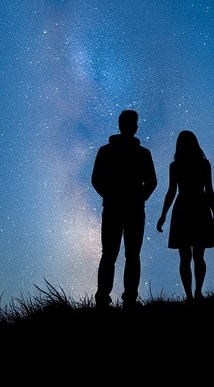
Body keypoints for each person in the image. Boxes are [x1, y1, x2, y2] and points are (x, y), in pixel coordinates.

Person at [91, 109, 157, 308]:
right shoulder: (142, 153)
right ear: (135, 127)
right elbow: (152, 182)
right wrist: (138, 198)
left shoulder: (107, 151)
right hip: (131, 209)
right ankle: (126, 298)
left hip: (116, 208)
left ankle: (105, 297)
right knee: (129, 255)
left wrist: (110, 196)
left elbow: (96, 179)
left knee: (112, 254)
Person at [156, 130, 214, 302]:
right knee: (191, 256)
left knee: (190, 256)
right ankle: (193, 294)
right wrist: (163, 214)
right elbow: (173, 191)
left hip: (187, 207)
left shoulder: (180, 165)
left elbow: (208, 190)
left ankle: (194, 294)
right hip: (195, 207)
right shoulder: (198, 164)